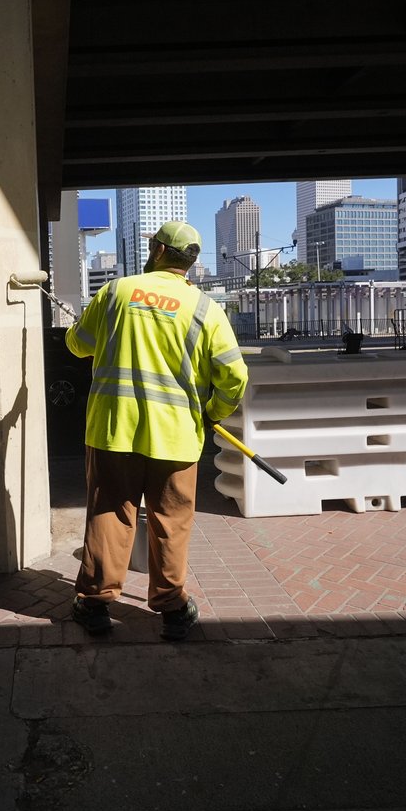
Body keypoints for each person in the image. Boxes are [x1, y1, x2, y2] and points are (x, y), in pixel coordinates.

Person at [65, 221, 248, 640]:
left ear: (160, 250)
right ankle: (171, 608)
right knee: (171, 521)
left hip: (114, 430)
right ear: (191, 260)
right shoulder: (205, 308)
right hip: (177, 436)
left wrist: (83, 330)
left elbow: (79, 345)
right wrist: (213, 411)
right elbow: (234, 376)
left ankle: (94, 604)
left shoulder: (116, 292)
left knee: (110, 513)